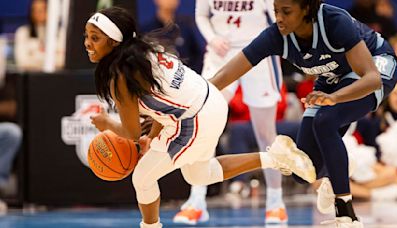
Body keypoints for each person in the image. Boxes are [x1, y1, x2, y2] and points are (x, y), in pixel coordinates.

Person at [84, 7, 316, 228]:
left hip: (195, 117)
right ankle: (275, 158)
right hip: (207, 103)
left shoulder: (120, 76)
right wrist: (153, 138)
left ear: (114, 42)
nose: (87, 43)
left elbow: (132, 134)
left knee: (143, 178)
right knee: (198, 174)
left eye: (95, 38)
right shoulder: (144, 52)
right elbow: (164, 105)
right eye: (87, 36)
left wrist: (108, 124)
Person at [209, 0, 397, 227]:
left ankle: (347, 214)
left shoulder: (334, 21)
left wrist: (335, 98)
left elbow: (371, 78)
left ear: (306, 9)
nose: (279, 17)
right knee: (303, 170)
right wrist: (199, 94)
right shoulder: (276, 34)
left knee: (325, 119)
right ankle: (336, 167)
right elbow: (231, 69)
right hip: (334, 79)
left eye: (286, 11)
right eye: (276, 11)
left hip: (376, 66)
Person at [173, 0, 287, 224]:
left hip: (260, 52)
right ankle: (196, 201)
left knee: (265, 132)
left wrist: (275, 43)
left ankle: (276, 202)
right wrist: (212, 38)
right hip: (220, 53)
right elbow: (202, 15)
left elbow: (279, 17)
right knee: (201, 125)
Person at [141, 0, 205, 73]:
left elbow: (197, 55)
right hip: (158, 77)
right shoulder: (146, 30)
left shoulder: (186, 26)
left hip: (184, 77)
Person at [14, 0, 64, 71]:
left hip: (56, 77)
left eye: (43, 9)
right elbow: (23, 61)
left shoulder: (61, 33)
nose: (39, 13)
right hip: (31, 78)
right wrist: (51, 57)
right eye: (35, 10)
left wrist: (35, 55)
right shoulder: (23, 32)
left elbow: (63, 61)